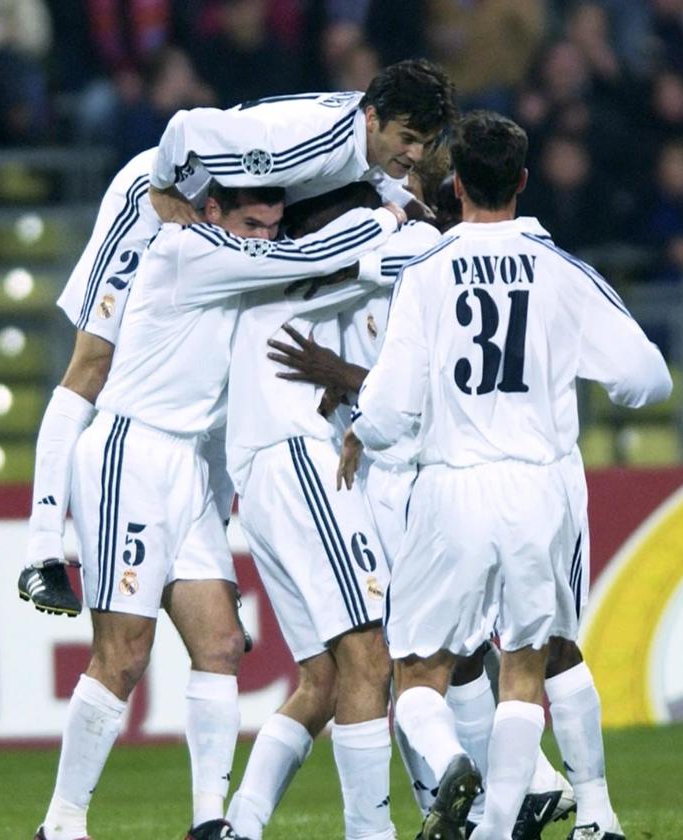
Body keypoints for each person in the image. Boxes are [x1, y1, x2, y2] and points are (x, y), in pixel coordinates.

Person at [32, 181, 404, 840]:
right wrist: (395, 211)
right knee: (124, 654)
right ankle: (62, 823)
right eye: (251, 222)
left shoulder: (240, 264)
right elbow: (309, 261)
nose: (263, 236)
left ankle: (210, 823)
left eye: (271, 225)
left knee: (224, 646)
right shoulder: (188, 251)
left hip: (189, 469)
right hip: (131, 450)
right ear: (212, 214)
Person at [19, 58, 456, 616]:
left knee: (230, 370)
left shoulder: (369, 145)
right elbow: (182, 131)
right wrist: (168, 191)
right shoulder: (302, 142)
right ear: (371, 120)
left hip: (239, 223)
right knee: (92, 365)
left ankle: (201, 560)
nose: (414, 154)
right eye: (408, 139)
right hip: (156, 203)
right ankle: (42, 554)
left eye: (424, 142)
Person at [337, 111, 671, 840]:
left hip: (451, 486)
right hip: (536, 484)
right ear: (522, 180)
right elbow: (648, 377)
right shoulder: (560, 270)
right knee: (527, 665)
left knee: (418, 672)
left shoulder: (425, 273)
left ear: (454, 184)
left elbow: (391, 408)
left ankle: (453, 761)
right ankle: (505, 826)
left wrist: (361, 433)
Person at [220, 183, 439, 840]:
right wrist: (410, 219)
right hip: (294, 464)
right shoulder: (294, 268)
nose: (266, 235)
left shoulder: (241, 277)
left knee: (322, 677)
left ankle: (239, 823)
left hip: (260, 480)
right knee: (372, 652)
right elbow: (403, 264)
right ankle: (371, 833)